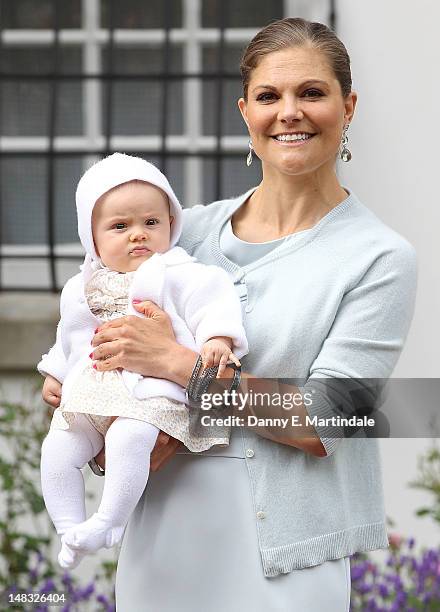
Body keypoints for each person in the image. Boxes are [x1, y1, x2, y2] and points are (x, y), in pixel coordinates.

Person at [89, 17, 417, 612]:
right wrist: (96, 405)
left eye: (311, 93)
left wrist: (184, 368)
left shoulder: (380, 258)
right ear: (245, 112)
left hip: (286, 560)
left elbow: (324, 423)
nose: (289, 112)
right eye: (269, 96)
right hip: (163, 539)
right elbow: (112, 346)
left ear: (349, 105)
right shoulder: (183, 235)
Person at [38, 153, 248, 570]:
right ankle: (70, 528)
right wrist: (55, 373)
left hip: (150, 393)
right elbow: (72, 338)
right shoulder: (81, 287)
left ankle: (110, 521)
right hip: (92, 390)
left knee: (128, 438)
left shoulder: (179, 270)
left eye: (151, 222)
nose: (139, 235)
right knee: (58, 448)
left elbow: (212, 301)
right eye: (120, 226)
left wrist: (217, 339)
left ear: (170, 224)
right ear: (92, 239)